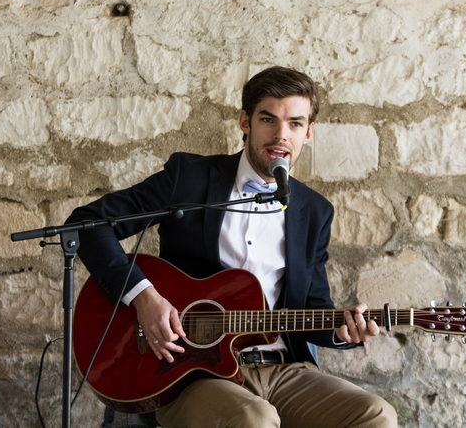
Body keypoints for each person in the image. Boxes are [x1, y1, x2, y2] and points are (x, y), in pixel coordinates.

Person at [69, 66, 397, 428]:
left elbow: (312, 309)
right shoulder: (190, 179)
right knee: (254, 420)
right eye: (268, 119)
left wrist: (341, 332)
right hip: (191, 374)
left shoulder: (315, 212)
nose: (280, 136)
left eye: (295, 124)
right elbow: (90, 225)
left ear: (309, 132)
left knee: (377, 415)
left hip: (283, 370)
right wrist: (143, 296)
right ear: (245, 121)